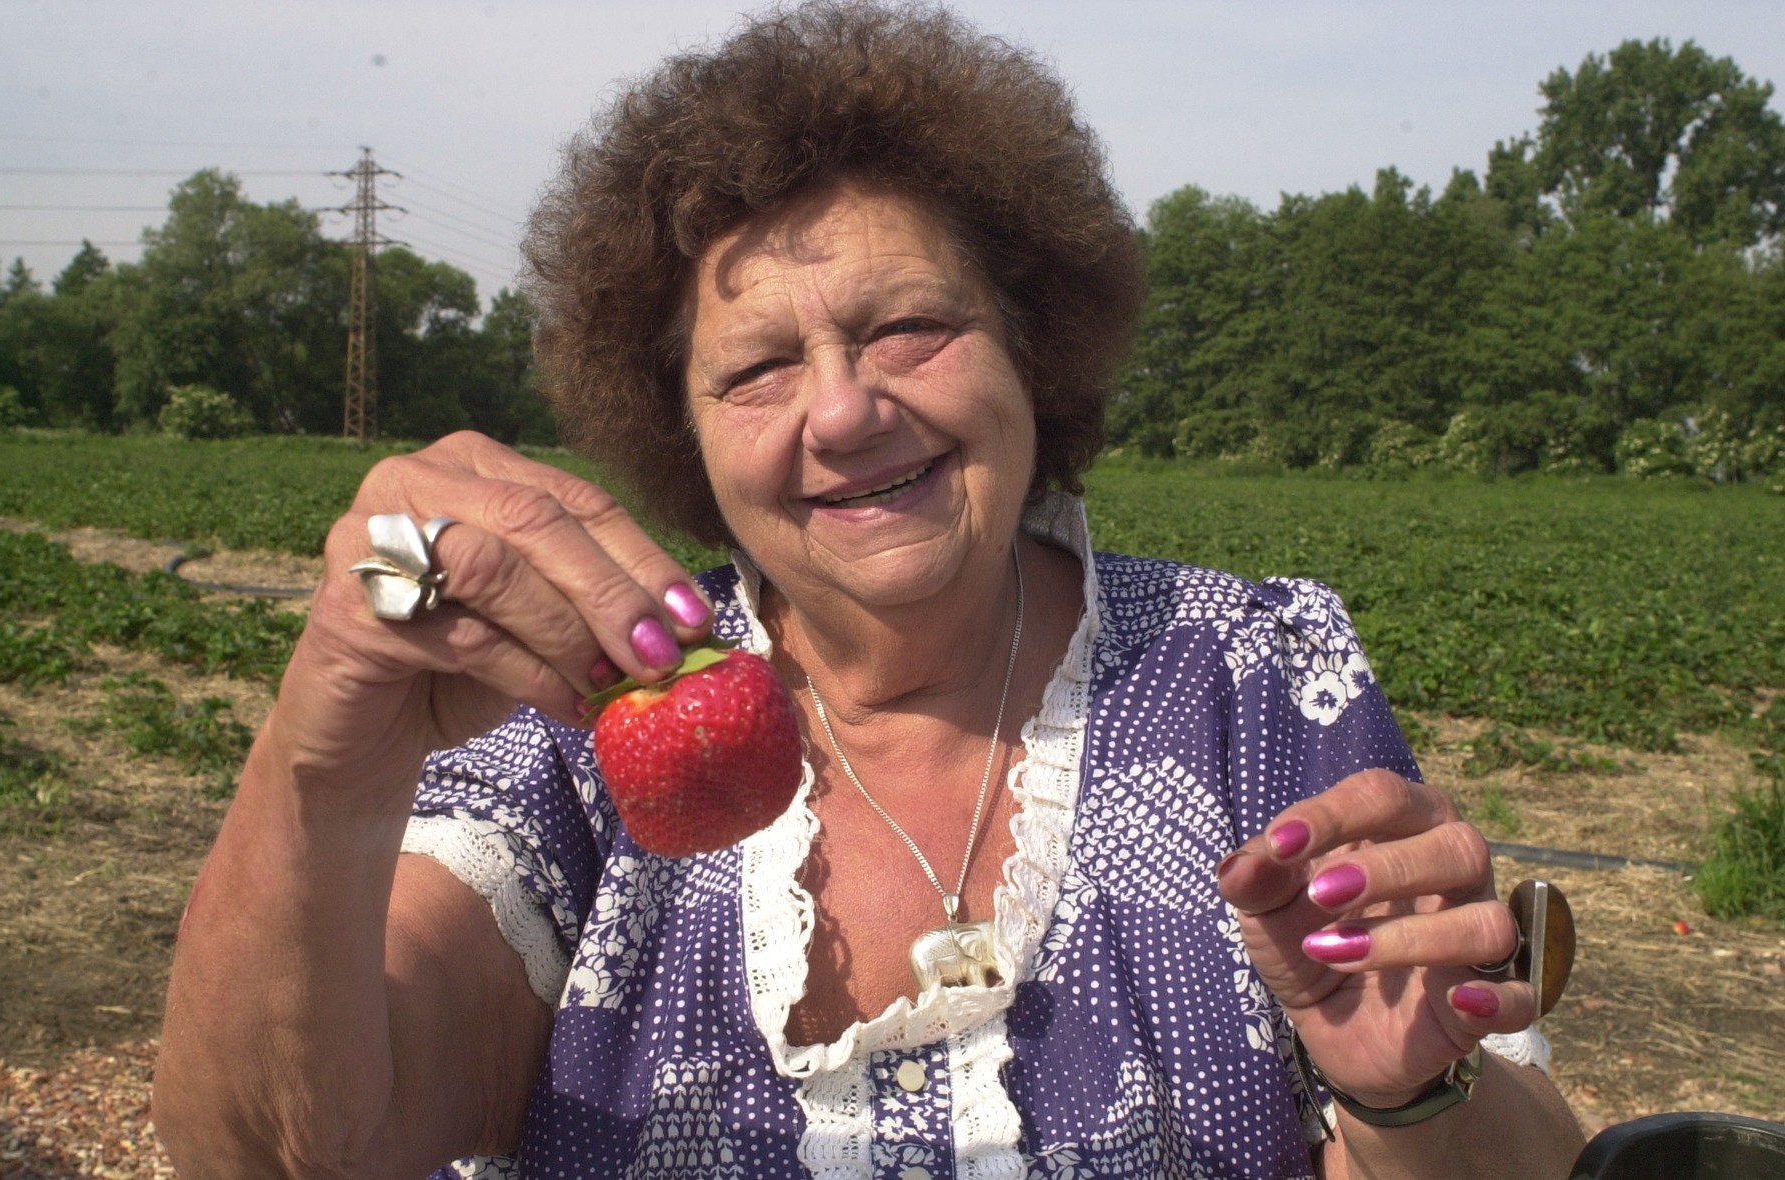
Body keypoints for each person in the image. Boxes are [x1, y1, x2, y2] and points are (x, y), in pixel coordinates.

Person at [151, 3, 1584, 1177]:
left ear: (1034, 347)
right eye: (758, 367)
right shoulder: (589, 722)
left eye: (907, 327)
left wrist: (1404, 1106)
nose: (840, 414)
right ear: (684, 431)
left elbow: (1512, 1150)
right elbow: (279, 1150)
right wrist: (325, 756)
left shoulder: (1253, 676)